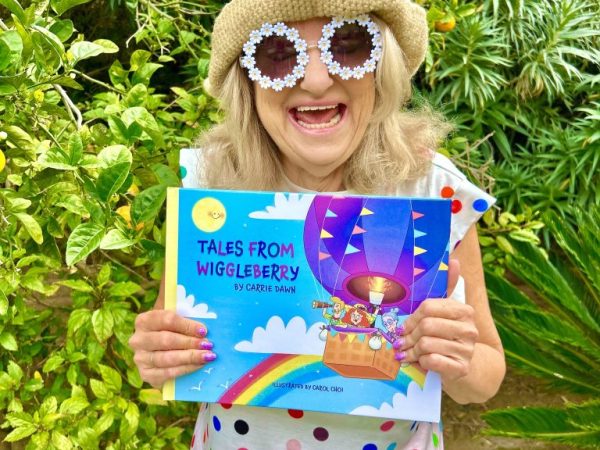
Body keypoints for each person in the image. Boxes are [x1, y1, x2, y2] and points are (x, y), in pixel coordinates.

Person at [128, 0, 506, 448]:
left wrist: (458, 357)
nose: (316, 79)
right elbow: (167, 348)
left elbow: (484, 380)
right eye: (278, 55)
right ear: (247, 81)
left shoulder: (431, 190)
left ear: (380, 68)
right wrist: (158, 355)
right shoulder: (213, 184)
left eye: (348, 46)